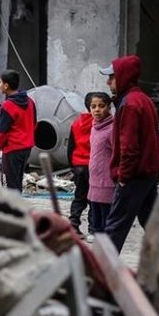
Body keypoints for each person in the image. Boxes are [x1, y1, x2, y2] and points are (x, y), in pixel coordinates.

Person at [100, 55, 159, 252]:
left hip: (135, 175)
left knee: (115, 226)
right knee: (152, 224)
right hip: (149, 173)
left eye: (112, 77)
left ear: (123, 76)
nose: (108, 82)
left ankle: (101, 268)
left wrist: (123, 177)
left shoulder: (130, 104)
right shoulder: (142, 99)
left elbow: (129, 147)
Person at [0, 69, 36, 194]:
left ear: (6, 86)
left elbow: (2, 130)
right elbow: (34, 123)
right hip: (26, 148)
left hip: (12, 149)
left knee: (8, 183)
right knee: (17, 181)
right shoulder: (30, 101)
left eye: (0, 82)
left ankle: (11, 206)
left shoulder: (8, 105)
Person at [87, 92, 115, 236]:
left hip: (107, 184)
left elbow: (119, 155)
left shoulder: (112, 129)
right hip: (94, 182)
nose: (97, 110)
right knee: (96, 225)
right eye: (93, 106)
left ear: (109, 108)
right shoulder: (94, 128)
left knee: (107, 225)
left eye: (101, 106)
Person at [67, 93, 95, 234]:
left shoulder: (76, 123)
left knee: (79, 197)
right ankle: (93, 228)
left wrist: (72, 167)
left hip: (78, 165)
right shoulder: (100, 124)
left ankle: (73, 224)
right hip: (93, 166)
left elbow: (70, 147)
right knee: (94, 199)